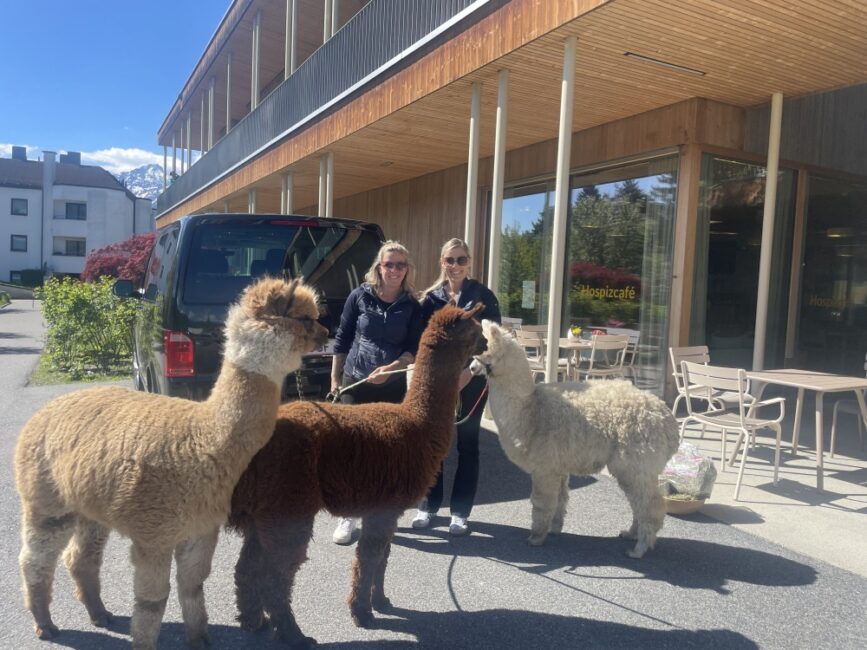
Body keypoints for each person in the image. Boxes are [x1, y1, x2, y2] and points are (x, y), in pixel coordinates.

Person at [330, 240, 424, 545]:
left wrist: (392, 367)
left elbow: (413, 349)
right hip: (354, 380)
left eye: (400, 265)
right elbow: (342, 339)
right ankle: (348, 514)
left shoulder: (412, 304)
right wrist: (335, 381)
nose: (394, 270)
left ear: (406, 269)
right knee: (351, 449)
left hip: (392, 384)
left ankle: (379, 512)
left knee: (385, 450)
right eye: (388, 264)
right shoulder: (359, 296)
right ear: (378, 267)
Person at [411, 238, 501, 536]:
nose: (456, 266)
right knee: (434, 444)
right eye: (450, 260)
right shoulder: (431, 299)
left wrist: (467, 374)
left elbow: (492, 344)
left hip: (472, 381)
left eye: (461, 260)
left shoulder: (483, 296)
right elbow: (423, 343)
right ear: (442, 262)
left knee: (467, 445)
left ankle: (460, 512)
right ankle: (428, 505)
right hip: (439, 383)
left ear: (469, 262)